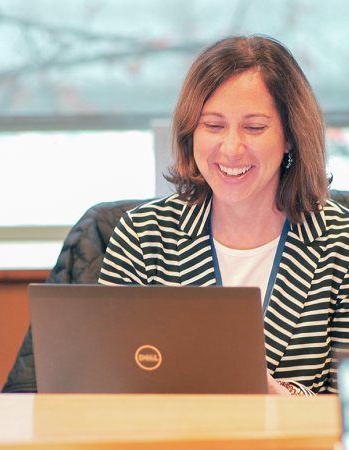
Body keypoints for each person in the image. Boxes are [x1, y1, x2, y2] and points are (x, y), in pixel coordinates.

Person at [99, 35, 349, 396]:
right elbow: (105, 385)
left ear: (290, 136)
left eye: (254, 127)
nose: (231, 148)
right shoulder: (144, 235)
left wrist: (282, 397)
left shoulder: (340, 242)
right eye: (213, 126)